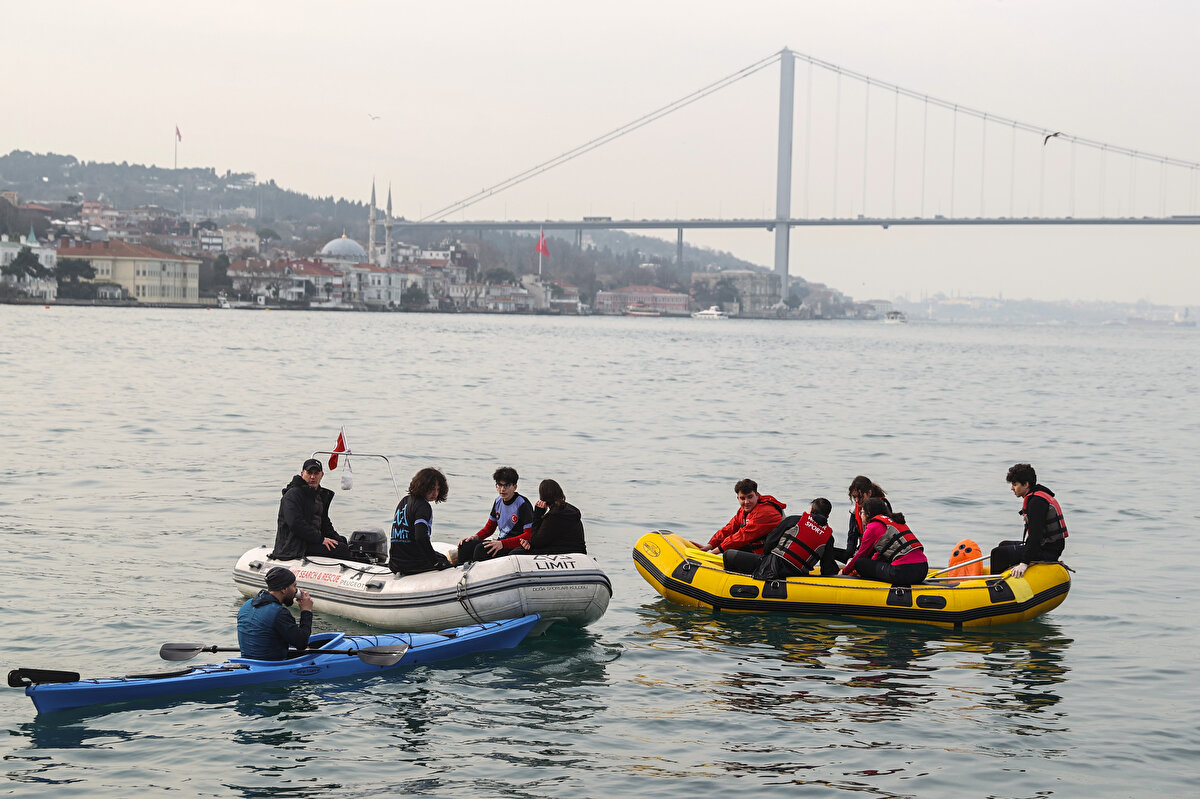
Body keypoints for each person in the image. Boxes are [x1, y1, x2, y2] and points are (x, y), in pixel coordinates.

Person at [723, 498, 836, 579]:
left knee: (728, 555)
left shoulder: (794, 520)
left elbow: (770, 541)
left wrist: (765, 559)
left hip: (773, 567)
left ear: (811, 510)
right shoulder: (829, 538)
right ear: (828, 516)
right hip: (797, 575)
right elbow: (827, 568)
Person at [991, 463, 1068, 577]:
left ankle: (995, 587)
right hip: (1045, 547)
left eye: (1015, 484)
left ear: (1026, 484)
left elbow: (1035, 536)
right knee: (1003, 545)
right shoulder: (1037, 496)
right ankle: (1009, 576)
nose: (1012, 488)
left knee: (997, 553)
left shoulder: (1037, 502)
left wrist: (1024, 562)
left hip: (1047, 551)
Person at [271, 458, 353, 561]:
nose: (313, 477)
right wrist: (321, 539)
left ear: (321, 475)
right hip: (294, 546)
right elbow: (295, 524)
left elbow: (324, 523)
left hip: (311, 540)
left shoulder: (319, 495)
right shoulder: (292, 495)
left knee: (343, 543)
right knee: (341, 550)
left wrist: (337, 539)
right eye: (309, 473)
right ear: (302, 474)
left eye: (316, 473)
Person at [453, 466, 534, 564]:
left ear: (514, 487)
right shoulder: (498, 501)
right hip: (501, 542)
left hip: (514, 545)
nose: (502, 489)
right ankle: (461, 572)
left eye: (506, 485)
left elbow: (529, 535)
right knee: (465, 544)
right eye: (499, 485)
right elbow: (489, 528)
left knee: (481, 549)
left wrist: (503, 544)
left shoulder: (522, 504)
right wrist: (476, 537)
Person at [841, 497, 929, 585]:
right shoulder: (894, 521)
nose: (860, 515)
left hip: (902, 571)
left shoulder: (873, 527)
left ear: (868, 514)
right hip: (923, 569)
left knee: (860, 563)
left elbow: (861, 555)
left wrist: (844, 572)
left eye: (862, 512)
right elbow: (881, 554)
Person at [690, 478, 786, 556]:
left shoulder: (765, 512)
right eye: (742, 498)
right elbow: (729, 529)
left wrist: (713, 553)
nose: (746, 502)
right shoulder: (744, 510)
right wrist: (709, 546)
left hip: (774, 556)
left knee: (729, 554)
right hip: (761, 551)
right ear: (738, 498)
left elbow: (743, 535)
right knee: (730, 548)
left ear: (757, 495)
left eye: (750, 497)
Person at [236, 566, 314, 661]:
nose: (296, 590)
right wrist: (306, 611)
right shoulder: (279, 613)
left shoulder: (247, 604)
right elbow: (302, 643)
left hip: (247, 661)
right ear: (284, 589)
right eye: (294, 586)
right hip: (270, 665)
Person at [388, 467, 452, 575]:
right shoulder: (423, 506)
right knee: (444, 561)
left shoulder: (404, 501)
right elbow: (421, 537)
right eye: (432, 489)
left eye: (437, 489)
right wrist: (435, 562)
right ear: (423, 486)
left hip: (395, 563)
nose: (435, 493)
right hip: (412, 563)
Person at [514, 479, 588, 555]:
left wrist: (538, 515)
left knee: (516, 552)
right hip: (579, 551)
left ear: (543, 497)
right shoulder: (570, 510)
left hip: (564, 551)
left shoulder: (553, 515)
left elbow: (536, 542)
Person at [832, 475, 892, 566]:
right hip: (862, 551)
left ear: (869, 493)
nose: (857, 500)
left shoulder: (882, 506)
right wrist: (849, 556)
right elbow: (852, 535)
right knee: (828, 550)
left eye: (860, 497)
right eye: (854, 497)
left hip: (878, 553)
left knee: (860, 561)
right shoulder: (854, 510)